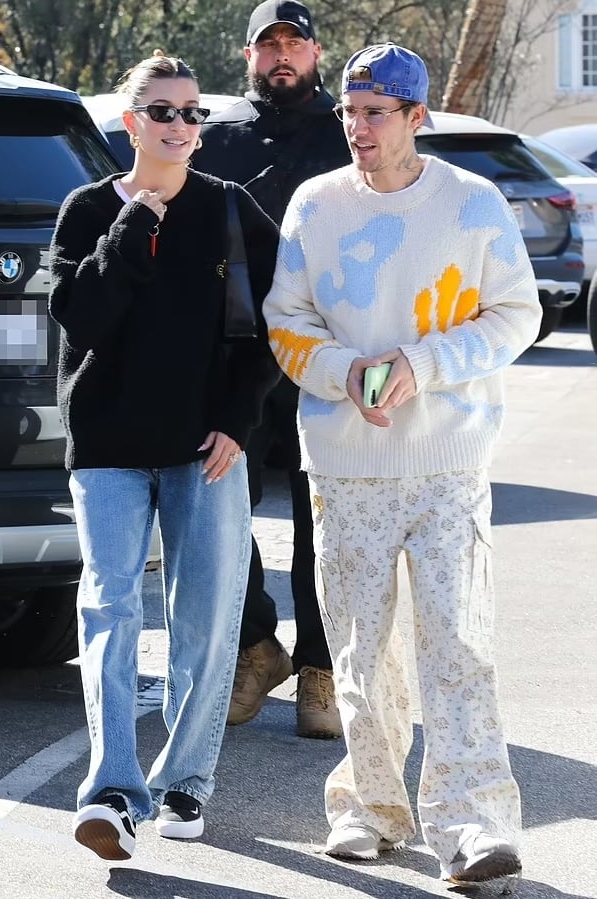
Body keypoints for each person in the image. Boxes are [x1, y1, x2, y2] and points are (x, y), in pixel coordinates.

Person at [263, 43, 542, 885]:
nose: (357, 128)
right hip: (345, 464)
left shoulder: (472, 202)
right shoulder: (315, 205)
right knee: (359, 646)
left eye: (376, 113)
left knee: (457, 641)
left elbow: (515, 315)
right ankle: (369, 809)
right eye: (349, 112)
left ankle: (473, 823)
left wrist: (422, 362)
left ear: (418, 118)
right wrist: (342, 370)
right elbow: (286, 321)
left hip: (447, 462)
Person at [48, 51, 279, 861]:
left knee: (205, 625)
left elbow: (273, 327)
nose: (180, 126)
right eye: (163, 111)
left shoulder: (231, 210)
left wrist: (237, 421)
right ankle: (113, 789)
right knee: (110, 612)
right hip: (108, 447)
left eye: (192, 113)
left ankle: (185, 782)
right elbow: (83, 320)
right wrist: (135, 221)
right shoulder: (84, 210)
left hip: (203, 450)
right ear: (129, 120)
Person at [193, 0, 350, 739]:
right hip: (238, 358)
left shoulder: (349, 132)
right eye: (268, 45)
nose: (281, 55)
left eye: (294, 43)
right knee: (226, 512)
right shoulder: (215, 141)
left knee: (325, 518)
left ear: (316, 53)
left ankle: (320, 663)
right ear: (249, 55)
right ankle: (258, 646)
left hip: (329, 357)